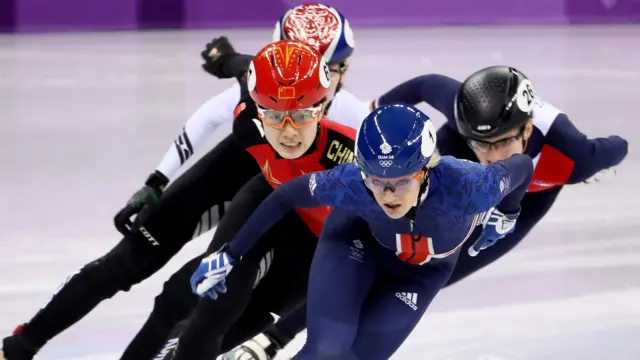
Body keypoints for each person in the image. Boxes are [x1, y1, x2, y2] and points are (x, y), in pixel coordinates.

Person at [0, 4, 364, 360]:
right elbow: (210, 114)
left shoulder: (352, 120)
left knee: (187, 301)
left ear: (344, 70)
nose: (309, 79)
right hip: (238, 172)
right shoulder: (259, 84)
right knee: (125, 264)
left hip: (284, 204)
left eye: (330, 69)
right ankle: (19, 347)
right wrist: (157, 180)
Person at [222, 66, 629, 360]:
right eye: (479, 144)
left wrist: (507, 211)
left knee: (418, 271)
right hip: (450, 174)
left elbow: (616, 146)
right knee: (371, 255)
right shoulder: (465, 122)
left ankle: (292, 332)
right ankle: (280, 335)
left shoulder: (573, 154)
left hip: (519, 201)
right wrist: (375, 111)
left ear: (526, 131)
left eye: (500, 144)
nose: (487, 156)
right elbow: (423, 84)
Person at [193, 103, 534, 360]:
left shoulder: (469, 186)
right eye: (377, 181)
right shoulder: (351, 182)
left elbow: (521, 166)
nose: (387, 195)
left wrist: (507, 213)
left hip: (420, 275)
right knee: (327, 351)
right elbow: (285, 195)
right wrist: (230, 254)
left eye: (401, 181)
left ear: (425, 170)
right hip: (356, 242)